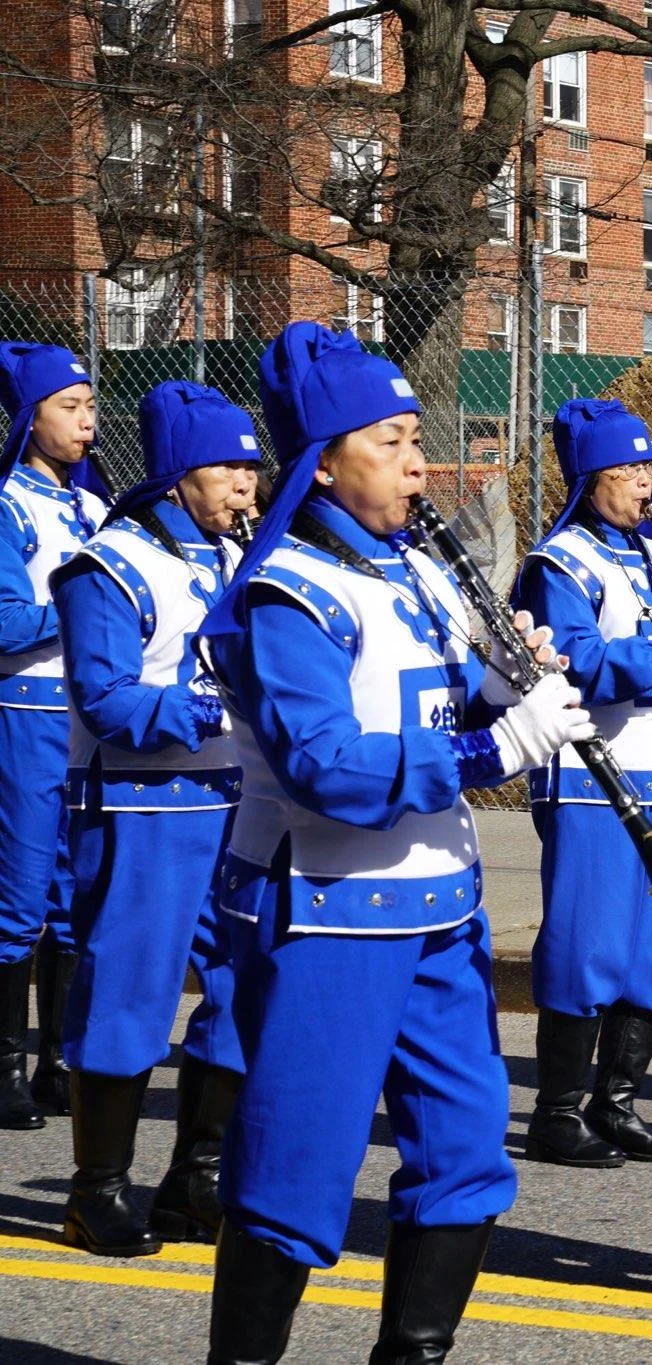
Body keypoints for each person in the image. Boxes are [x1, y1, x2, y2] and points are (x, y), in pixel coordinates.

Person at [198, 323, 593, 1362]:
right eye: (391, 440)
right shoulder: (286, 593)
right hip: (329, 910)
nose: (419, 462)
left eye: (417, 437)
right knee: (296, 1174)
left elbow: (440, 694)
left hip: (438, 908)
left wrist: (507, 680)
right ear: (322, 462)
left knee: (467, 1159)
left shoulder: (413, 572)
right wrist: (494, 746)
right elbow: (327, 767)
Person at [49, 382, 257, 1257]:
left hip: (231, 806)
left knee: (243, 989)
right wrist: (216, 709)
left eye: (253, 469)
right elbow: (106, 698)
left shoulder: (235, 556)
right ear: (177, 474)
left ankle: (193, 1179)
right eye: (227, 469)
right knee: (129, 996)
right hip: (141, 805)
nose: (246, 486)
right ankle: (97, 1191)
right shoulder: (111, 565)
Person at [514, 399, 652, 1169]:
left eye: (649, 468)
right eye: (629, 471)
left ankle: (616, 1101)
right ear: (591, 479)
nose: (646, 484)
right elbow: (574, 659)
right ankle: (557, 1111)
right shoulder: (562, 563)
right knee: (588, 941)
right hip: (594, 770)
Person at [0, 342, 104, 1130]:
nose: (85, 423)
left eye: (91, 407)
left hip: (86, 722)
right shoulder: (7, 505)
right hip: (26, 715)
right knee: (21, 892)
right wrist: (73, 610)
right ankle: (3, 1062)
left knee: (76, 896)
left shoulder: (96, 510)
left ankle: (57, 1060)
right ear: (29, 417)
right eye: (70, 407)